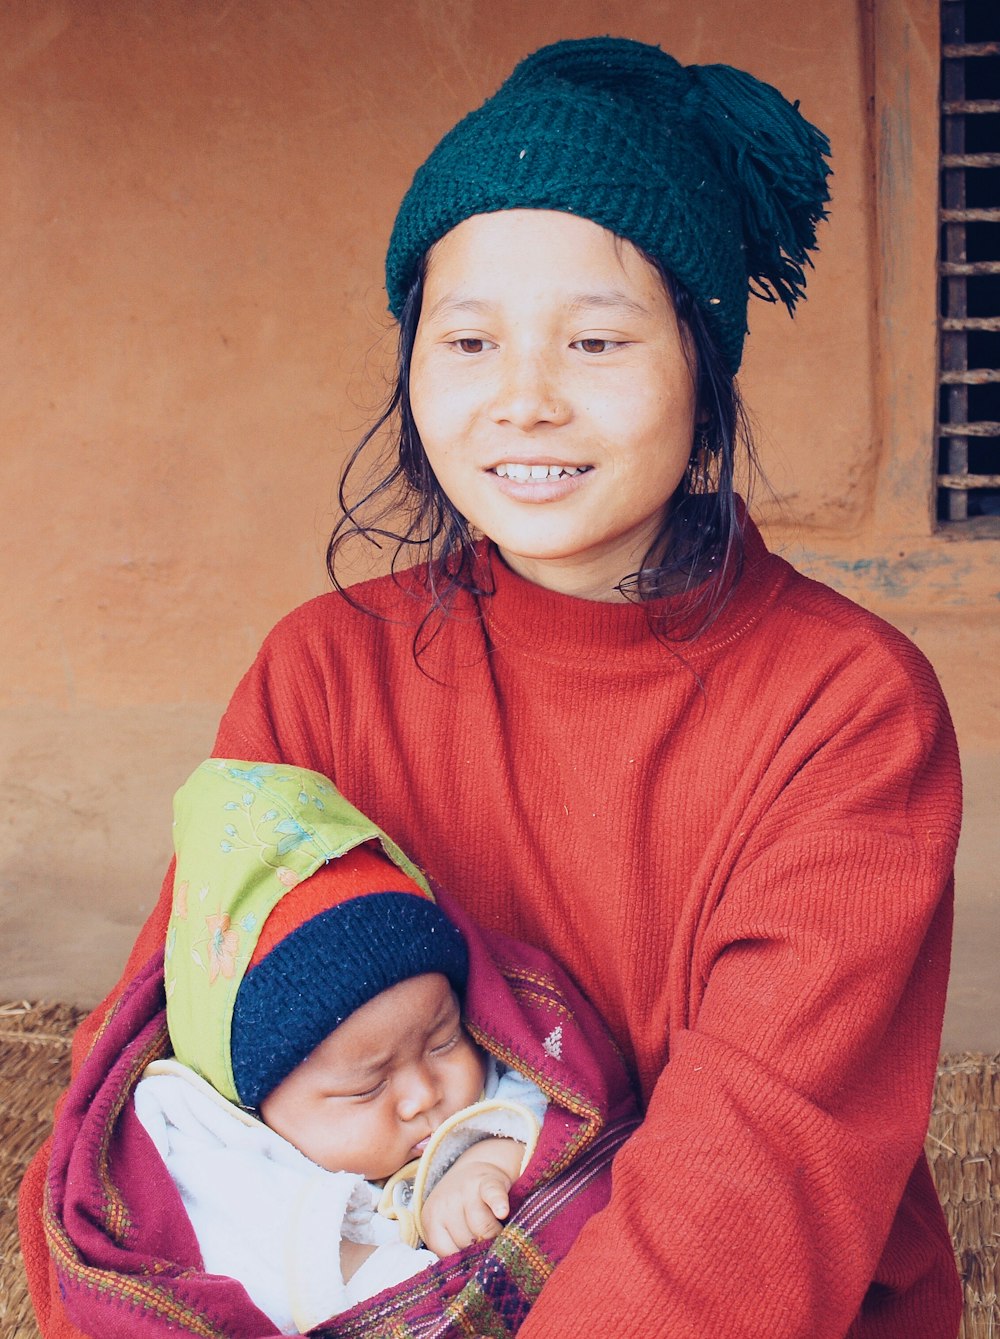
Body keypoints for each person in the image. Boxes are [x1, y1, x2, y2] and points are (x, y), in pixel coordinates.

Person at [22, 35, 963, 1339]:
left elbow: (750, 1184)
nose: (523, 399)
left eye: (593, 339)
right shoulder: (322, 674)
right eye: (468, 339)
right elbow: (166, 1091)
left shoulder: (848, 708)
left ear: (704, 366)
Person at [133, 758, 550, 1333]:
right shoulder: (232, 1172)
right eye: (367, 1085)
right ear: (255, 1104)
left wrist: (488, 1157)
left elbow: (547, 1087)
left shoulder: (487, 1077)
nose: (423, 1096)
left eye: (443, 1040)